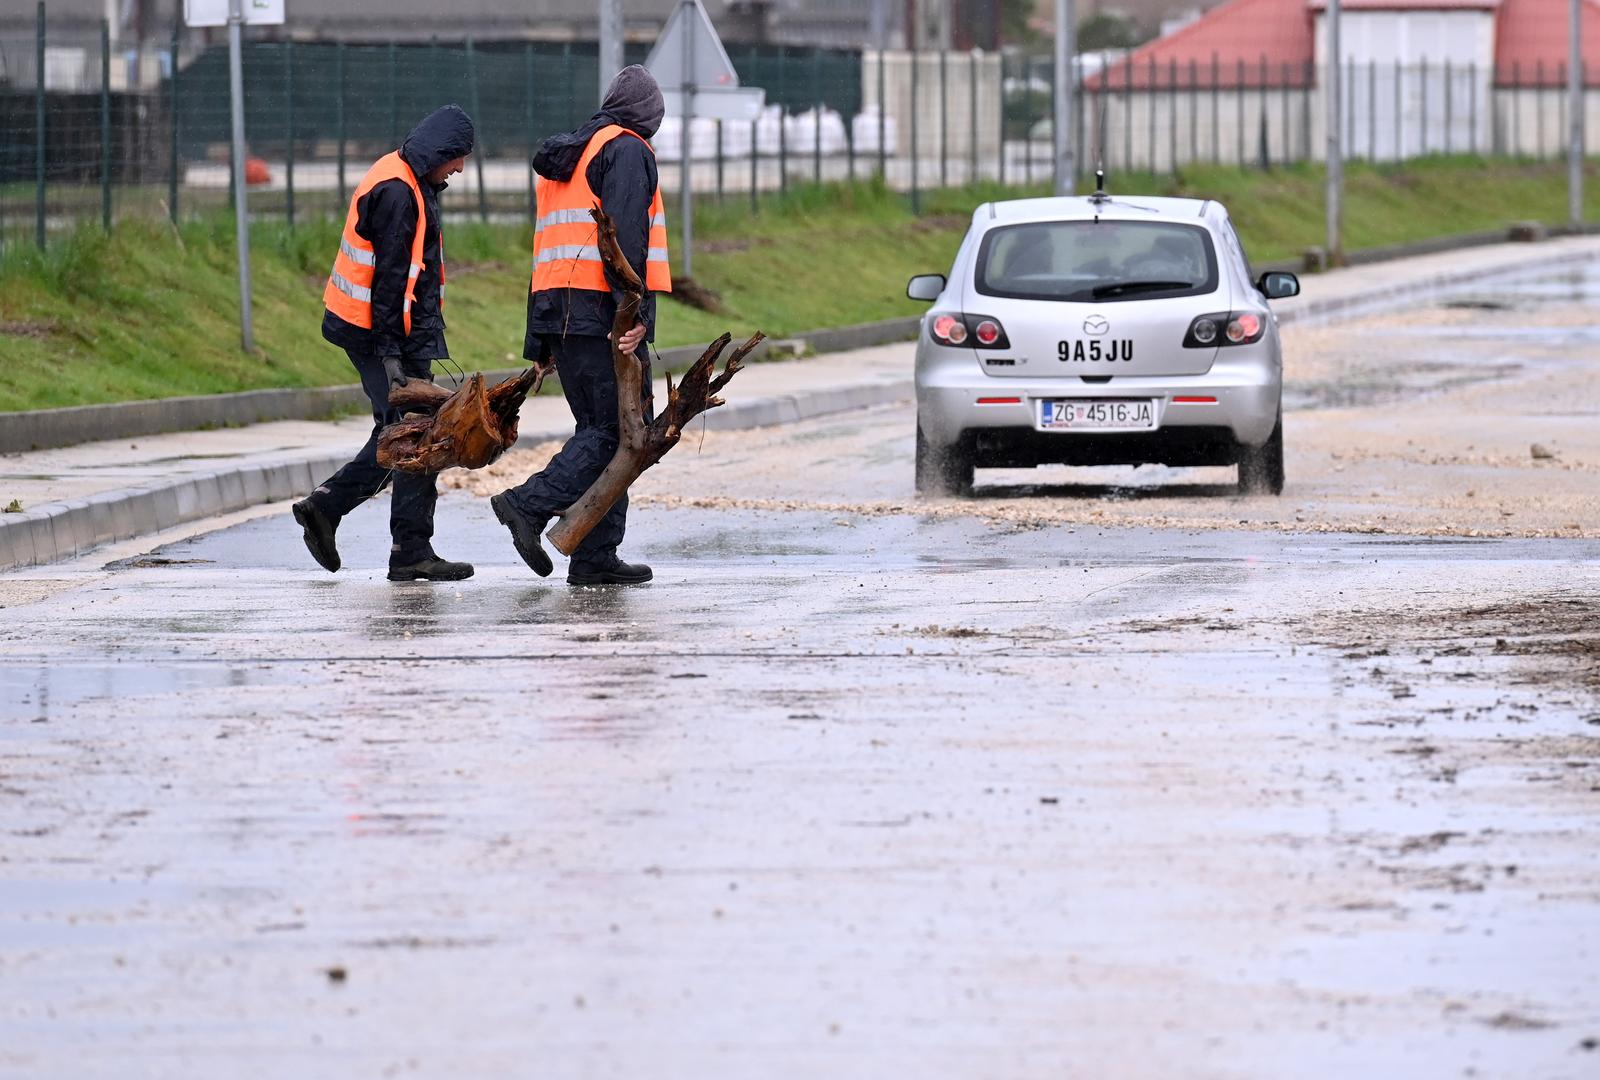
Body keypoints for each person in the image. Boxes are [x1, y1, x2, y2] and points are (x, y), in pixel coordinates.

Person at [490, 65, 668, 586]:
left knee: (608, 430)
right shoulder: (627, 149)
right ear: (647, 116)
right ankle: (528, 505)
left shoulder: (569, 156)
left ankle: (594, 556)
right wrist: (636, 315)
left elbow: (545, 249)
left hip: (561, 311)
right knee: (618, 431)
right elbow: (624, 238)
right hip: (603, 314)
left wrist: (540, 339)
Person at [292, 105, 476, 582]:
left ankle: (333, 511)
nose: (460, 168)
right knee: (413, 435)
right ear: (439, 150)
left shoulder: (410, 179)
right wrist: (392, 355)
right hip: (377, 333)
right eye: (457, 157)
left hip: (387, 332)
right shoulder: (398, 192)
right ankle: (402, 546)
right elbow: (391, 284)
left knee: (407, 433)